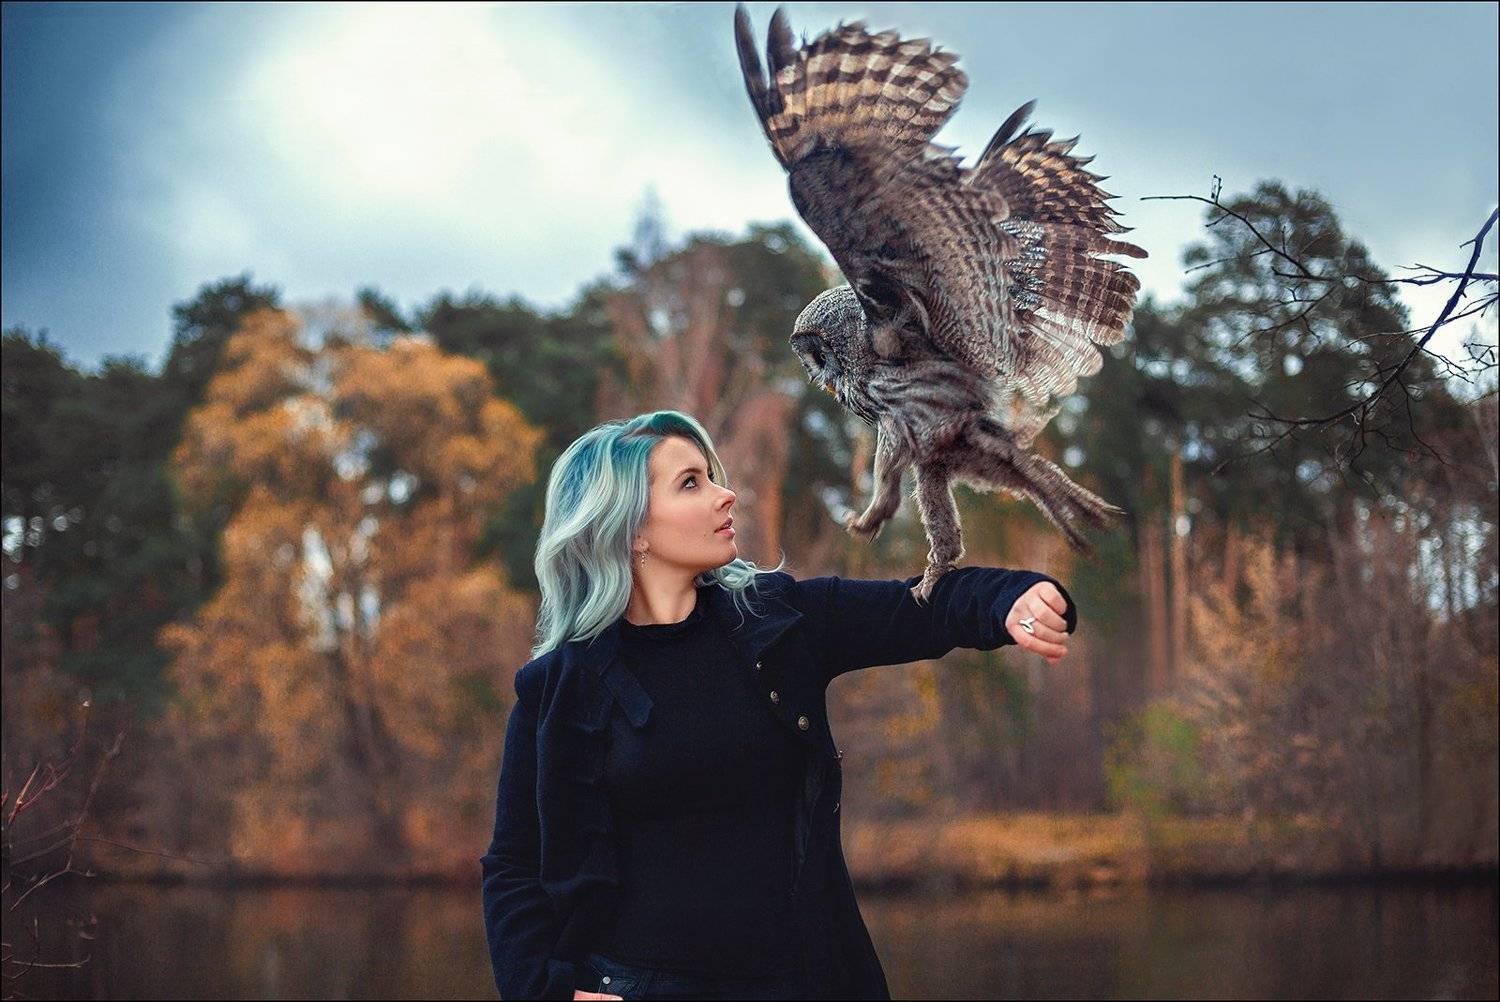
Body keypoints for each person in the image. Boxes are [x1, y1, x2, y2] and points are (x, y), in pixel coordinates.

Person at [481, 410, 1075, 1000]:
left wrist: (1015, 597)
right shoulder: (558, 687)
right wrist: (543, 991)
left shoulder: (778, 624)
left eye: (711, 476)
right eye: (691, 483)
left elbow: (926, 606)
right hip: (637, 986)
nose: (725, 495)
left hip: (804, 981)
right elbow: (513, 866)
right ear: (631, 528)